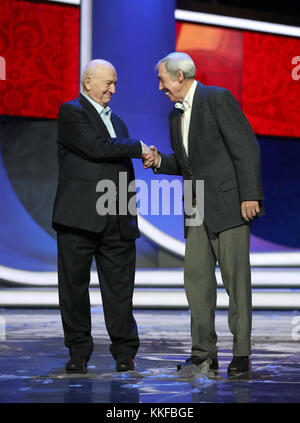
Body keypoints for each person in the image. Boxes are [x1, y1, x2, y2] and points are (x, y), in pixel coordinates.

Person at [146, 52, 264, 376]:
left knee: (236, 284)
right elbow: (189, 165)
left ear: (180, 77)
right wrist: (160, 162)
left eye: (162, 80)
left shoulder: (217, 98)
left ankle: (241, 355)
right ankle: (203, 355)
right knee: (196, 285)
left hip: (230, 206)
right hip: (195, 210)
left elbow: (245, 147)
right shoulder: (175, 116)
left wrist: (250, 195)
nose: (160, 87)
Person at [52, 59, 153, 374]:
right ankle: (79, 352)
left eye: (115, 83)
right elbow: (96, 147)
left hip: (117, 219)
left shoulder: (118, 123)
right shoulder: (72, 112)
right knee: (74, 289)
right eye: (107, 83)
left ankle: (125, 353)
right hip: (79, 219)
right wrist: (138, 146)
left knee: (120, 291)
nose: (113, 89)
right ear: (87, 82)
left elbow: (121, 168)